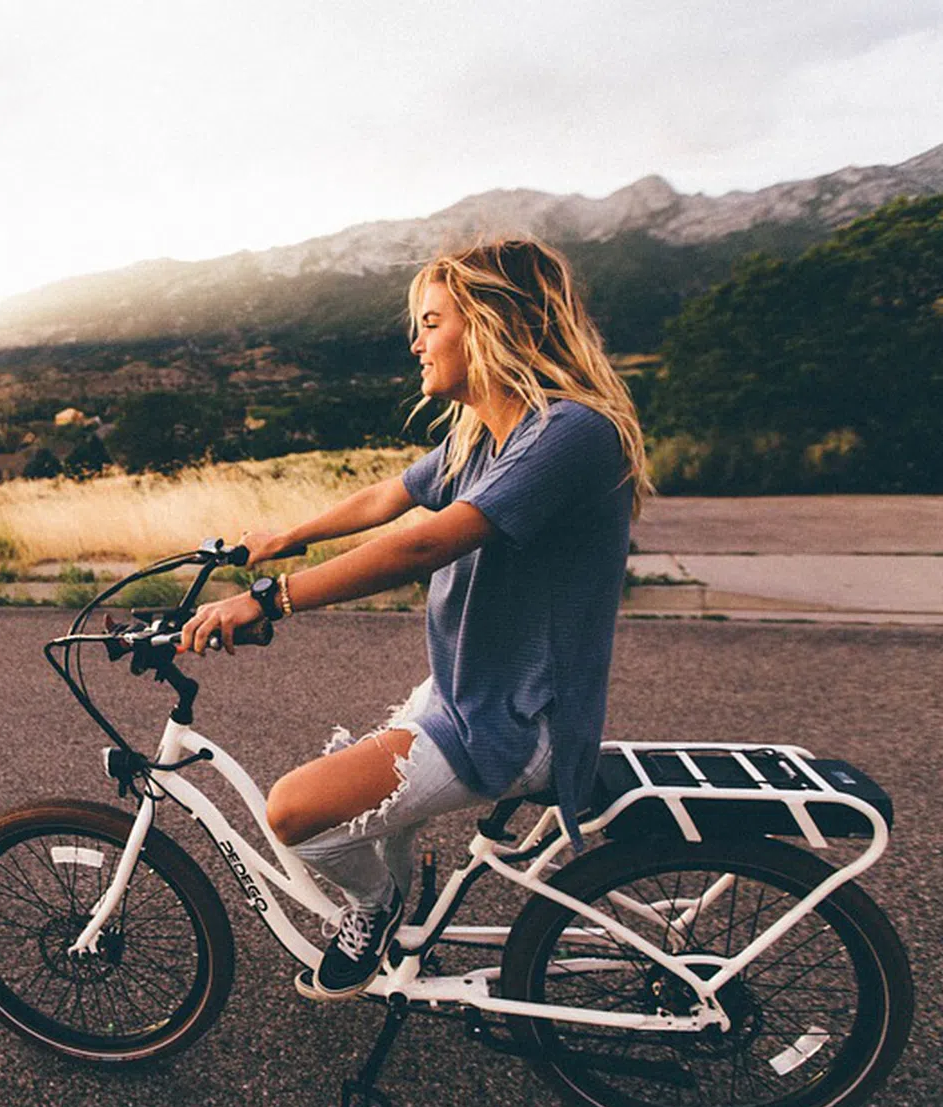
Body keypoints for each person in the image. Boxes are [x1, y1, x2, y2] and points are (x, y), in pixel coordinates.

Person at [179, 237, 651, 1001]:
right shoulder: (484, 438)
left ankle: (375, 907)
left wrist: (272, 598)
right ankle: (398, 914)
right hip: (465, 694)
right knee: (368, 800)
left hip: (519, 720)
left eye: (432, 321)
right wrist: (285, 538)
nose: (416, 341)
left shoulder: (569, 434)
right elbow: (389, 498)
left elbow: (425, 541)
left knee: (295, 811)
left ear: (496, 325)